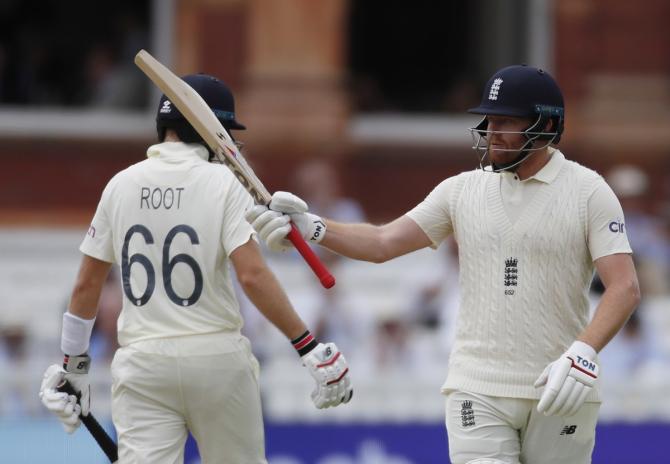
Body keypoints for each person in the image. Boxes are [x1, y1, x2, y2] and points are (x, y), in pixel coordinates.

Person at [246, 65, 641, 464]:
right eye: (489, 121)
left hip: (561, 385)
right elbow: (384, 242)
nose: (491, 132)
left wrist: (584, 353)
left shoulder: (589, 191)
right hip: (477, 385)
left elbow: (624, 287)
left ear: (547, 124)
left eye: (506, 122)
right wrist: (313, 226)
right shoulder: (462, 190)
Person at [38, 73, 352, 464]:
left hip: (143, 364)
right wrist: (306, 346)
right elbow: (251, 275)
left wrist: (74, 366)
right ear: (212, 129)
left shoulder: (120, 185)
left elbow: (87, 284)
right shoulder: (223, 181)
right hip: (216, 357)